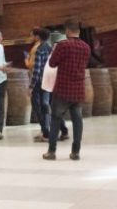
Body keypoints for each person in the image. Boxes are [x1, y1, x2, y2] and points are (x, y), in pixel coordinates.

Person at [43, 19, 90, 161]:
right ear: (79, 32)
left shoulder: (63, 46)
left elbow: (52, 63)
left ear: (67, 32)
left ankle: (51, 152)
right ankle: (76, 152)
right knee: (77, 120)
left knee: (56, 119)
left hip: (63, 89)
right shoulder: (86, 47)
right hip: (78, 90)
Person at [29, 28, 53, 142]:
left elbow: (37, 69)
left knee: (38, 107)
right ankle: (52, 131)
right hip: (49, 81)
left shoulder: (39, 50)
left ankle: (45, 132)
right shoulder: (51, 48)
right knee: (46, 105)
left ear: (38, 37)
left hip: (40, 82)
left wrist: (31, 86)